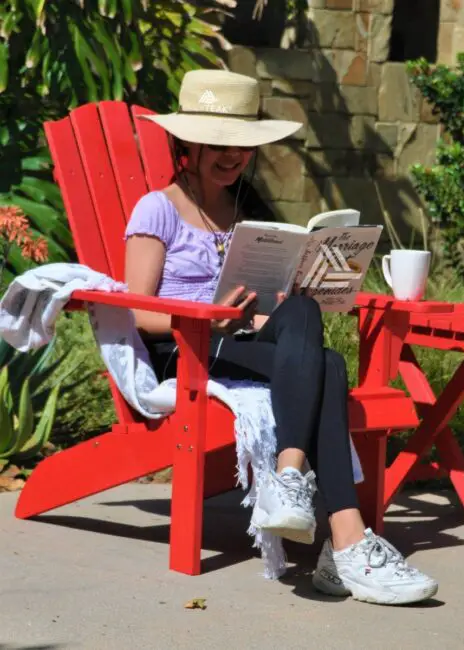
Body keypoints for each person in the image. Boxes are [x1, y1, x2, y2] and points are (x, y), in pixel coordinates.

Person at [124, 69, 438, 606]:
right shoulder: (158, 209)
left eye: (242, 147)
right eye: (219, 145)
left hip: (243, 342)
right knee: (331, 368)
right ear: (185, 144)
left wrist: (289, 298)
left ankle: (298, 487)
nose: (232, 157)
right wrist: (210, 315)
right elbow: (138, 313)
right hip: (190, 350)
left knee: (306, 312)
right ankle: (346, 542)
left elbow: (268, 300)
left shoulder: (245, 210)